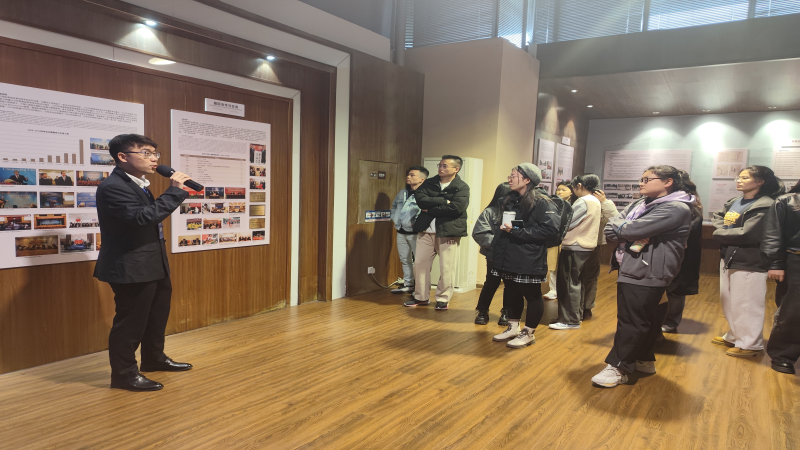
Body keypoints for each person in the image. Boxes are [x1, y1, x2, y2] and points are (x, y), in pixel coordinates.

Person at [94, 134, 192, 392]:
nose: (153, 159)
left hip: (152, 262)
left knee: (156, 316)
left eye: (154, 154)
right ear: (122, 157)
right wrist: (175, 192)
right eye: (146, 153)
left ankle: (154, 358)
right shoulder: (113, 186)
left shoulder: (138, 184)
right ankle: (124, 375)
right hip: (131, 266)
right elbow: (142, 218)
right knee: (130, 323)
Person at [592, 165, 695, 388]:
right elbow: (612, 227)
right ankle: (643, 359)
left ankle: (619, 366)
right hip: (634, 266)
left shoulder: (675, 207)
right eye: (641, 179)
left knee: (632, 320)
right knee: (647, 317)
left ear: (668, 182)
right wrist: (626, 229)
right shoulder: (641, 203)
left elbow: (628, 230)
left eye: (647, 179)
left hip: (648, 270)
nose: (641, 183)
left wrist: (626, 230)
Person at [712, 165, 782, 358]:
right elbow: (719, 217)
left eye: (745, 178)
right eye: (739, 177)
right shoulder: (735, 201)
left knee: (747, 303)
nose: (739, 181)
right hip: (729, 256)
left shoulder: (765, 205)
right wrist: (722, 231)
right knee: (729, 300)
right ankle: (736, 336)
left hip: (750, 259)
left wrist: (720, 233)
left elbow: (748, 233)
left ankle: (750, 344)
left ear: (760, 181)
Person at [489, 163, 560, 348]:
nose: (510, 179)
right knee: (511, 291)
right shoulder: (510, 199)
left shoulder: (542, 202)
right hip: (508, 254)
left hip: (529, 256)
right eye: (510, 176)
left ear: (527, 180)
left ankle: (528, 333)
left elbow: (550, 229)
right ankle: (513, 327)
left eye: (514, 176)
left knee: (532, 294)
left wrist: (517, 231)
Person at [404, 155, 470, 310]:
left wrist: (431, 209)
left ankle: (443, 298)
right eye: (440, 165)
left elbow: (457, 208)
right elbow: (421, 201)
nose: (440, 168)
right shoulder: (429, 182)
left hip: (448, 231)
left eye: (445, 166)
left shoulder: (461, 187)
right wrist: (444, 201)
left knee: (447, 267)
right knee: (420, 265)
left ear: (456, 169)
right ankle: (421, 297)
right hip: (425, 230)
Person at [550, 174, 604, 330]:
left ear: (579, 185)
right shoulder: (595, 201)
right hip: (585, 247)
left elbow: (568, 222)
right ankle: (575, 316)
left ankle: (569, 320)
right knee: (577, 283)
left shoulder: (584, 201)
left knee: (568, 283)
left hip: (575, 245)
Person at [763, 180, 800, 374]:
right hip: (795, 259)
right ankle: (783, 355)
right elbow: (773, 233)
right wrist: (776, 263)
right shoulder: (787, 201)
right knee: (792, 311)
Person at [660, 170, 703, 334]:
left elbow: (689, 229)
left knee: (675, 289)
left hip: (682, 252)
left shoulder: (688, 203)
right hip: (669, 250)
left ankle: (671, 321)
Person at [472, 182, 512, 325]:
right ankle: (482, 311)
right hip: (494, 254)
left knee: (511, 284)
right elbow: (480, 233)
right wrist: (499, 245)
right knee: (491, 282)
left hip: (513, 255)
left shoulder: (519, 211)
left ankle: (507, 312)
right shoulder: (490, 212)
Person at [390, 166, 428, 294]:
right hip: (400, 231)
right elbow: (394, 206)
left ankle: (419, 288)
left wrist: (418, 224)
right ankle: (408, 284)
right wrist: (394, 218)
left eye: (412, 175)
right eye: (408, 175)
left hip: (416, 233)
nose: (408, 177)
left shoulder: (425, 194)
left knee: (419, 261)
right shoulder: (403, 192)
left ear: (422, 179)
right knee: (405, 259)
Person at [581, 188, 618, 320]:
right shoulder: (578, 202)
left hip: (594, 245)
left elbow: (615, 219)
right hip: (573, 245)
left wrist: (604, 202)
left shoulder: (602, 203)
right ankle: (573, 309)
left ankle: (586, 307)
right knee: (572, 279)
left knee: (590, 278)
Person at [544, 181, 575, 300]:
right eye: (558, 189)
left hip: (569, 239)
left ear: (571, 192)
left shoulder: (574, 205)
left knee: (567, 266)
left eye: (564, 190)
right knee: (553, 266)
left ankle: (565, 289)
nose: (560, 192)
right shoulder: (553, 203)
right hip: (555, 238)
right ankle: (553, 289)